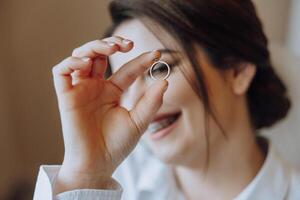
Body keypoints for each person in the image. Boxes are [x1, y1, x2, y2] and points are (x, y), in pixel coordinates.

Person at [33, 0, 300, 199]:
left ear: (238, 69)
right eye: (125, 82)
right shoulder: (109, 185)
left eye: (159, 69)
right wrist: (85, 173)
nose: (134, 101)